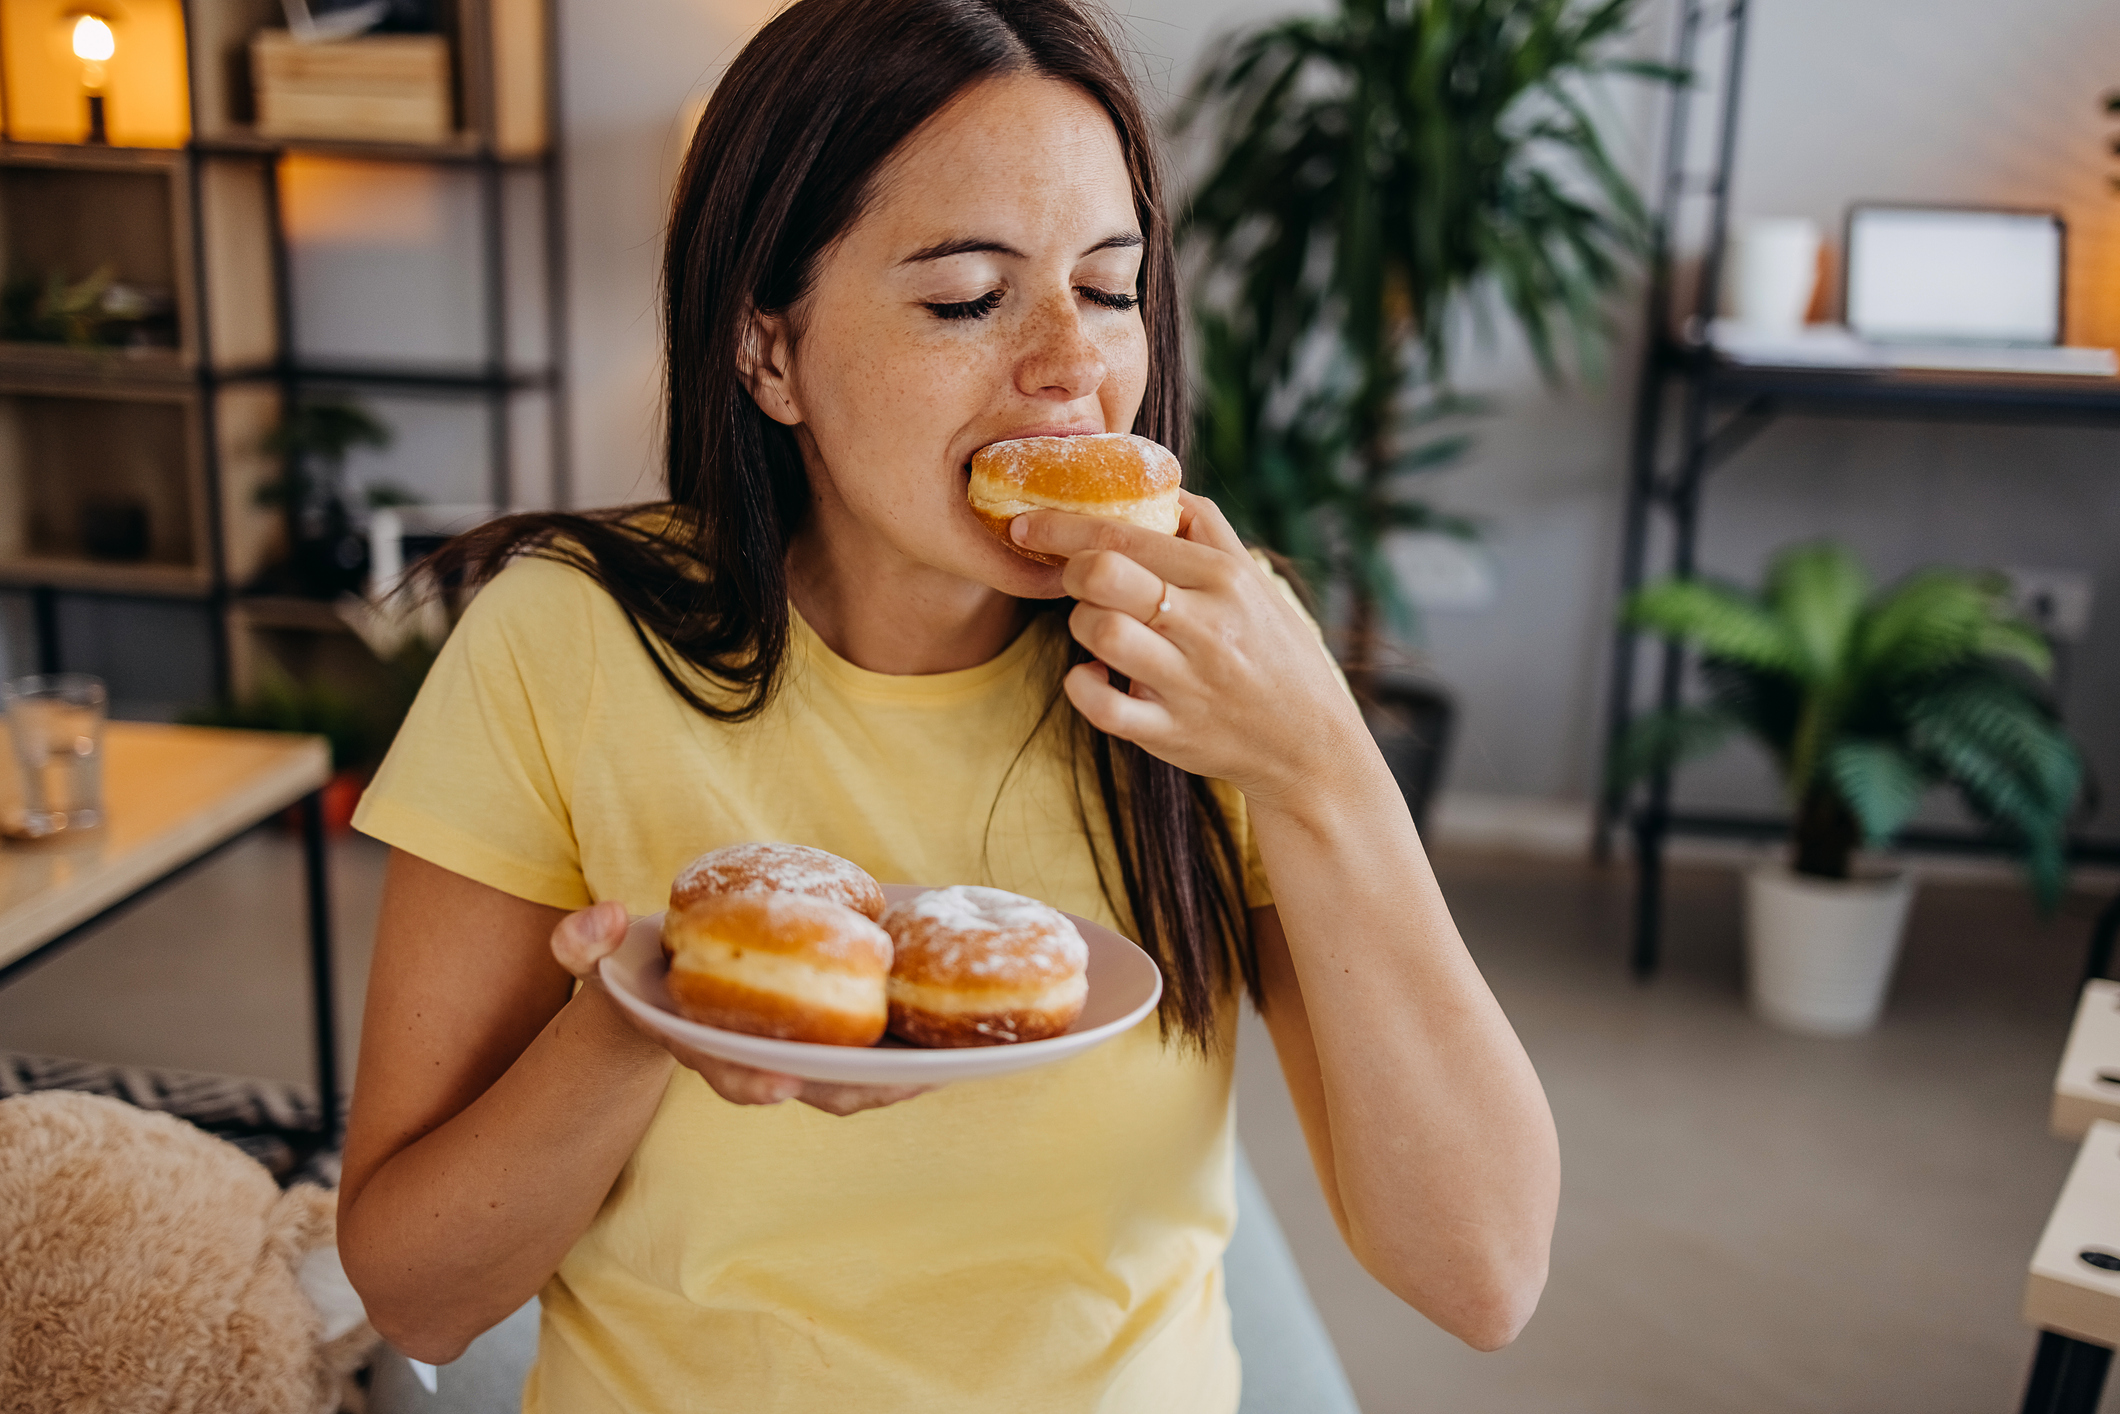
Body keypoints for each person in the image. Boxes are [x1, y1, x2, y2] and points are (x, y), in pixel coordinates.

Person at [336, 1, 1560, 1409]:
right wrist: (636, 1020)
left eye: (1109, 289)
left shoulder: (1215, 657)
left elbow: (1484, 1274)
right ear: (768, 350)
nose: (1073, 369)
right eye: (969, 297)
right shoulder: (565, 639)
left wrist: (1320, 762)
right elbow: (417, 1290)